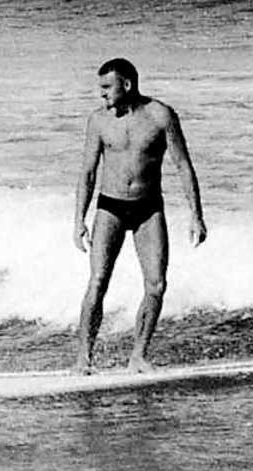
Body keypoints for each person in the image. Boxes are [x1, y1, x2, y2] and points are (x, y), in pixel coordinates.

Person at [73, 58, 207, 374]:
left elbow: (183, 166)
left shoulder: (161, 116)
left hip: (149, 208)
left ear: (128, 85)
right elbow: (88, 172)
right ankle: (83, 358)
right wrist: (78, 219)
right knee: (97, 282)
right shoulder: (98, 121)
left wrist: (196, 215)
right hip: (110, 208)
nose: (102, 95)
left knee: (156, 285)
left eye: (107, 87)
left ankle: (138, 356)